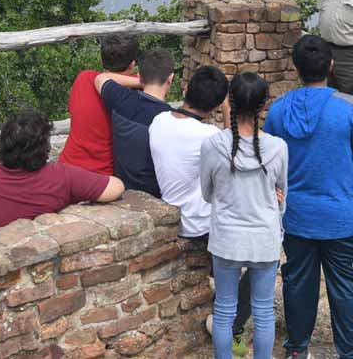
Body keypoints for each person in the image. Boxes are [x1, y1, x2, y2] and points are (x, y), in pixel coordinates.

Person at [264, 34, 353, 359]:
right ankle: (349, 352)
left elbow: (270, 157)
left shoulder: (279, 109)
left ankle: (297, 349)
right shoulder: (348, 107)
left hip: (296, 215)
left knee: (298, 281)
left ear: (295, 68)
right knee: (344, 285)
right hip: (340, 217)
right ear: (330, 66)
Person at [147, 65, 253, 347]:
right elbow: (240, 152)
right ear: (218, 104)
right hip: (202, 225)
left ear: (185, 90)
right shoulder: (209, 137)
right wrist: (229, 109)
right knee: (262, 262)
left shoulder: (158, 121)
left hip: (172, 212)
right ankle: (227, 322)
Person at [201, 72, 288, 359]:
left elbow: (207, 194)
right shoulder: (278, 147)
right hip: (264, 238)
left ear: (230, 102)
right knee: (263, 310)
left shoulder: (213, 145)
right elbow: (281, 200)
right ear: (265, 106)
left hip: (226, 237)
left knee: (224, 309)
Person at [0, 110, 125, 241]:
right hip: (35, 246)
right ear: (45, 148)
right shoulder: (62, 176)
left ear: (3, 145)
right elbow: (116, 187)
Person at [95, 47, 175, 197]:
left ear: (139, 76)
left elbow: (101, 78)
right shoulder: (171, 119)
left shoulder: (121, 99)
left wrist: (142, 81)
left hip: (122, 190)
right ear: (170, 78)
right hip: (155, 195)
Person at [59, 33, 141, 175]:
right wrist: (143, 81)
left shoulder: (83, 79)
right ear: (132, 64)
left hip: (66, 167)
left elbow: (103, 79)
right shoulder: (135, 95)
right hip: (101, 176)